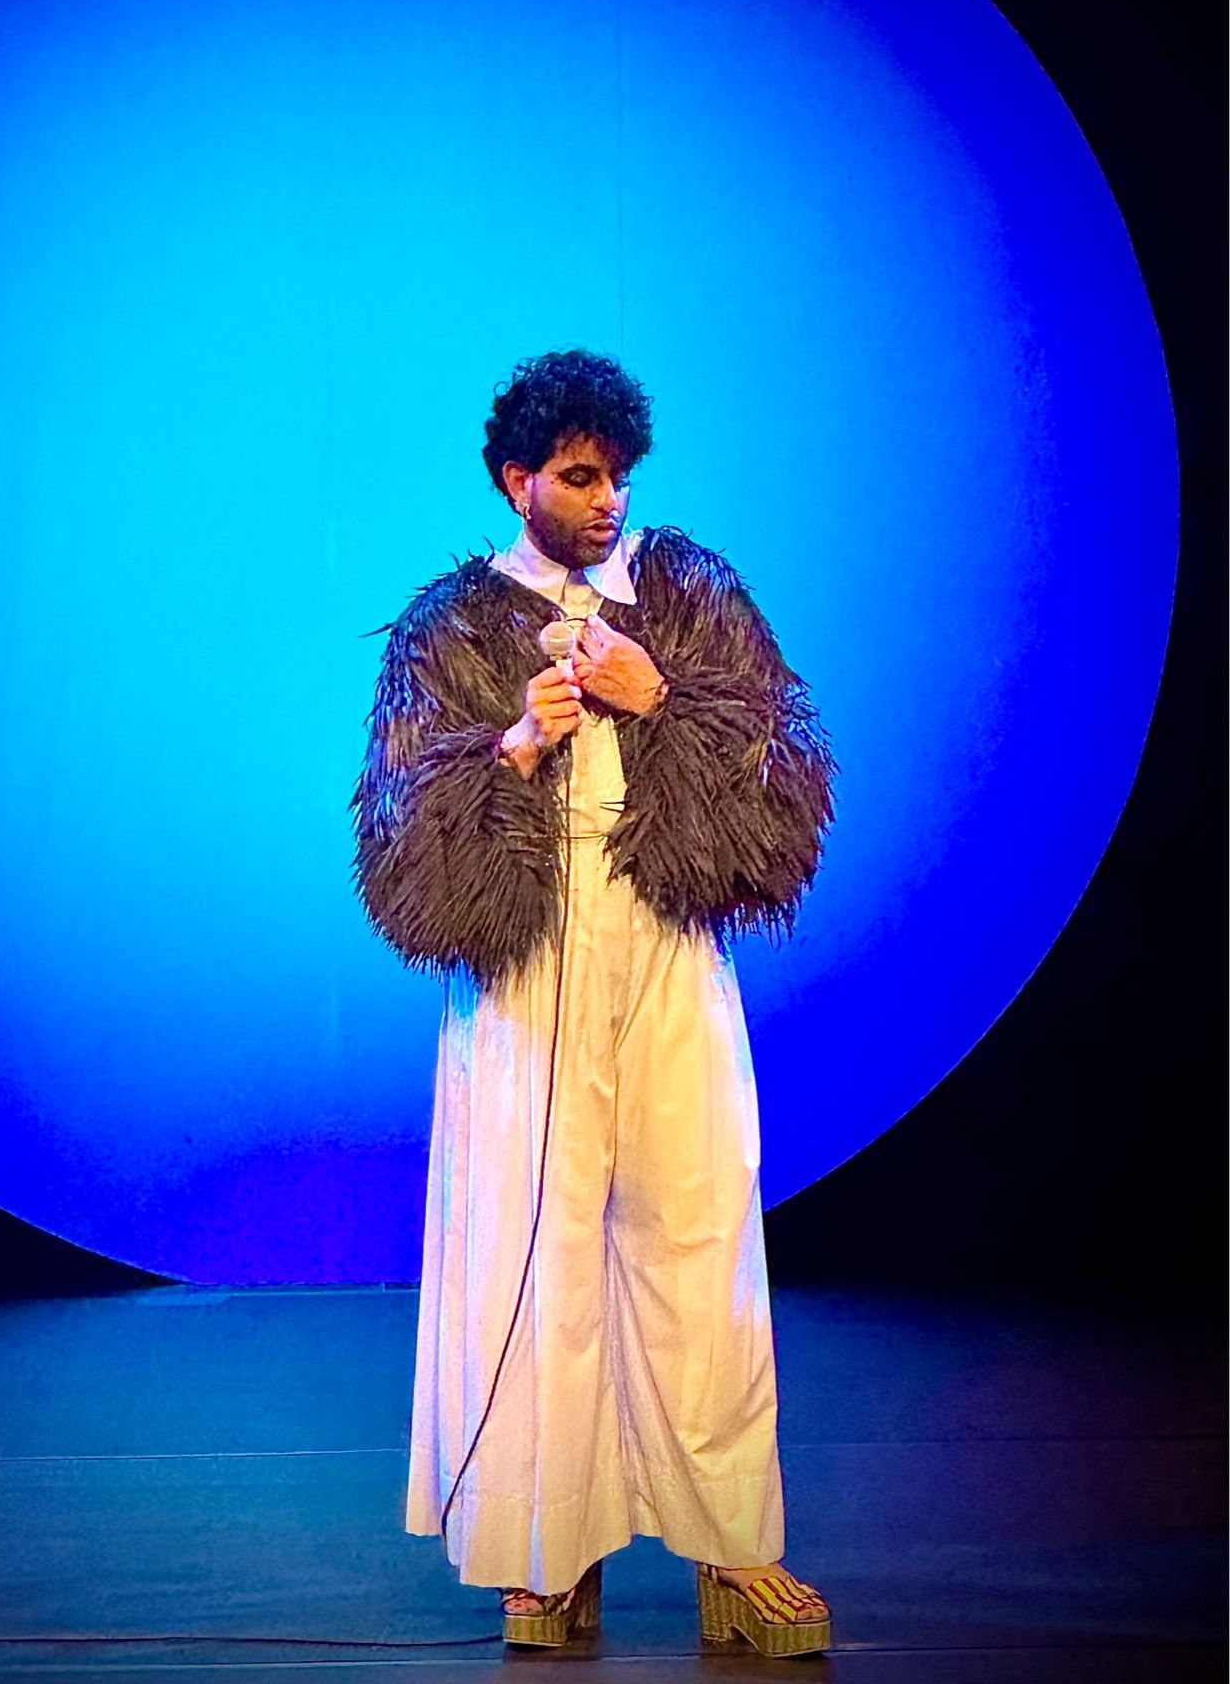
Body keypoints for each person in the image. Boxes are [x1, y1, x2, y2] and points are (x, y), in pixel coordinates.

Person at [351, 349, 837, 1657]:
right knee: (539, 1245)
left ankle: (735, 1555)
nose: (608, 496)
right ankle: (549, 1556)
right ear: (519, 480)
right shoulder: (453, 627)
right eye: (579, 475)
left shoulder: (687, 596)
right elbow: (394, 839)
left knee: (698, 1239)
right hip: (530, 958)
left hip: (666, 940)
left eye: (618, 473)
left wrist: (658, 700)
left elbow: (785, 780)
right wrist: (513, 745)